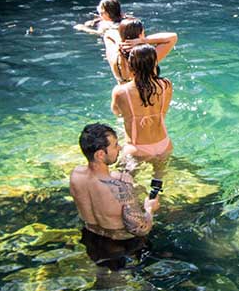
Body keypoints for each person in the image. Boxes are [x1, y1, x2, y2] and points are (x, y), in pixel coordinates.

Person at [69, 123, 158, 266]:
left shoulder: (75, 175)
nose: (120, 148)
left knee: (103, 279)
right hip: (122, 244)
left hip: (91, 238)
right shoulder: (121, 188)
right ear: (100, 154)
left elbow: (99, 184)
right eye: (115, 145)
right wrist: (150, 209)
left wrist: (116, 176)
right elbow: (140, 228)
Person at [111, 45, 174, 178]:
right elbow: (164, 111)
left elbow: (116, 112)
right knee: (158, 184)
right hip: (163, 144)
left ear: (131, 65)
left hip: (137, 148)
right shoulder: (166, 85)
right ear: (154, 63)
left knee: (122, 182)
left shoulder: (121, 91)